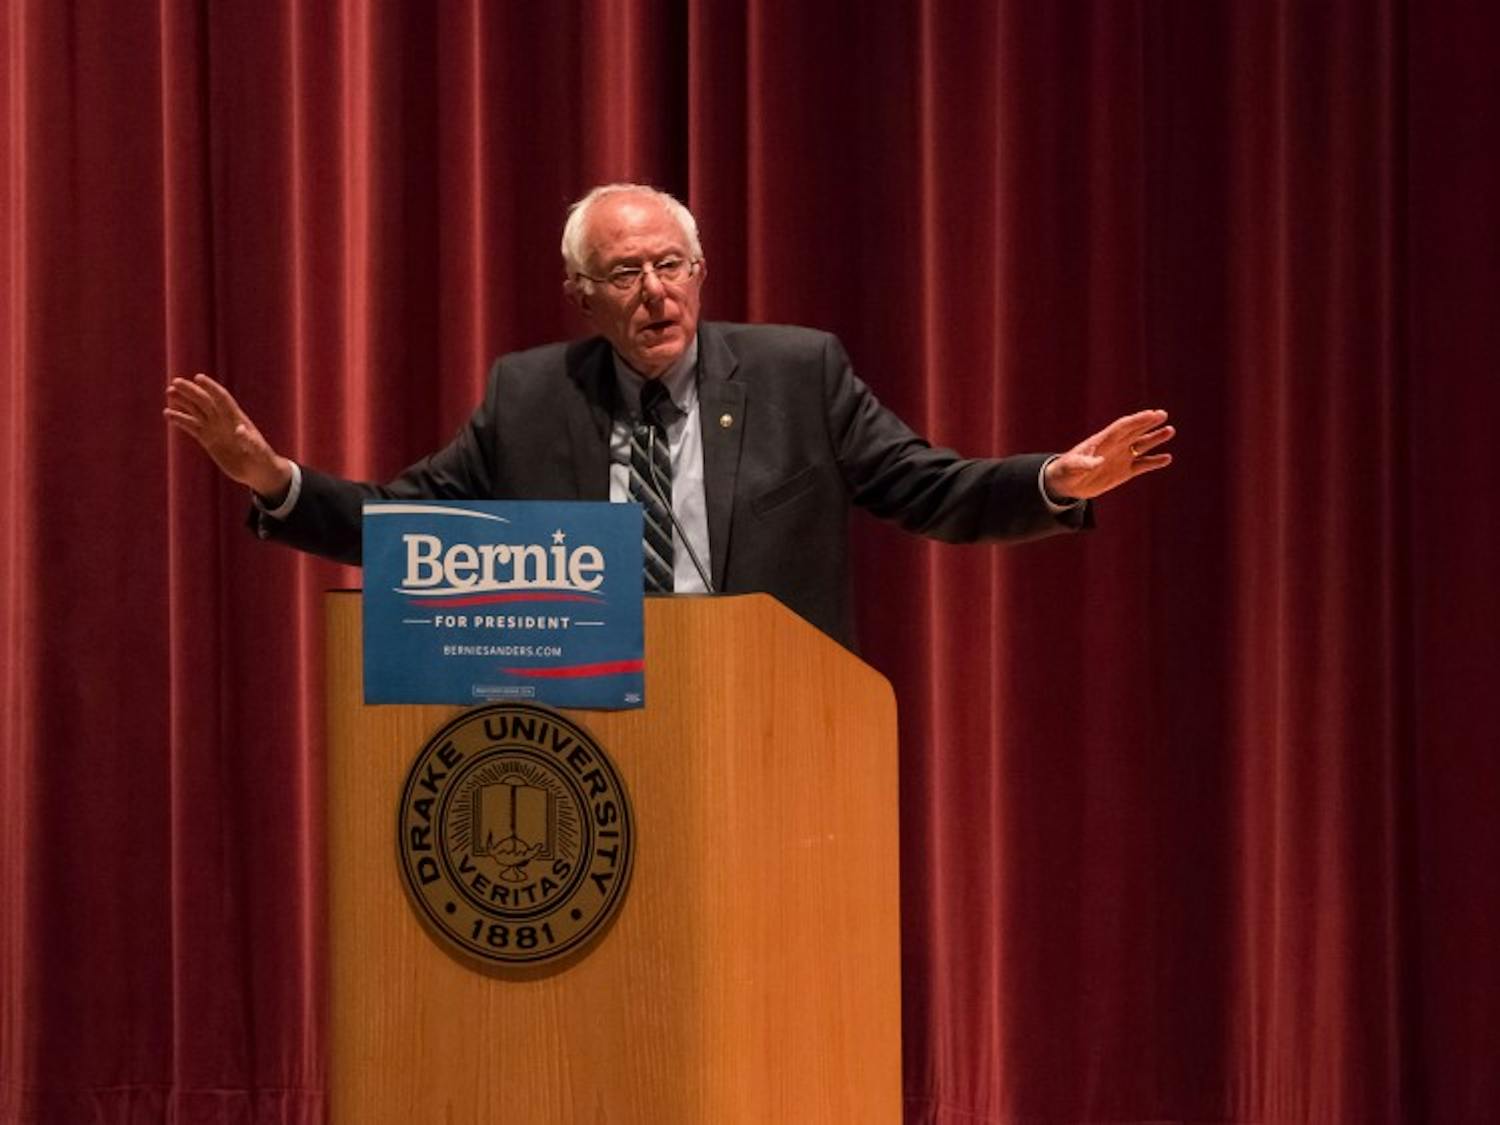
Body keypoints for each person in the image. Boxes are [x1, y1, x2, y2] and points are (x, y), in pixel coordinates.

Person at [164, 183, 1173, 648]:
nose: (655, 293)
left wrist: (1053, 481)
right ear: (582, 295)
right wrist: (275, 480)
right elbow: (411, 533)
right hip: (586, 715)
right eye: (625, 273)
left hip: (760, 718)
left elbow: (929, 488)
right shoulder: (529, 395)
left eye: (670, 266)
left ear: (699, 273)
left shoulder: (797, 374)